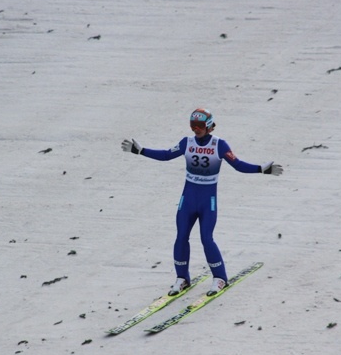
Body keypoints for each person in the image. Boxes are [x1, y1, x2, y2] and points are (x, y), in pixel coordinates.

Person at [121, 108, 282, 296]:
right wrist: (140, 151)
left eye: (200, 126)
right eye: (192, 126)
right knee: (181, 236)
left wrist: (262, 169)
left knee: (206, 238)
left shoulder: (219, 145)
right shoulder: (186, 142)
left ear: (210, 126)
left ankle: (219, 277)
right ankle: (182, 278)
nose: (196, 130)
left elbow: (238, 165)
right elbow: (165, 155)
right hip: (188, 198)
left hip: (207, 200)